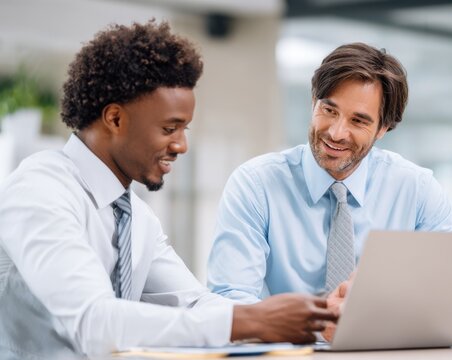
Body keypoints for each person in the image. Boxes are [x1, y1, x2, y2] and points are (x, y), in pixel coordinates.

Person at [0, 21, 338, 359]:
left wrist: (315, 315)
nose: (181, 146)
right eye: (169, 128)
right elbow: (93, 322)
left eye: (184, 129)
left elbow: (195, 303)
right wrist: (248, 320)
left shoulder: (135, 217)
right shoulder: (40, 190)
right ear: (115, 119)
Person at [207, 43, 452, 305]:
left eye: (358, 121)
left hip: (385, 345)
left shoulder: (417, 190)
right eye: (329, 110)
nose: (337, 133)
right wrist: (301, 324)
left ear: (383, 128)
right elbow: (228, 298)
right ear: (313, 103)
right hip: (288, 343)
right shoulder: (256, 184)